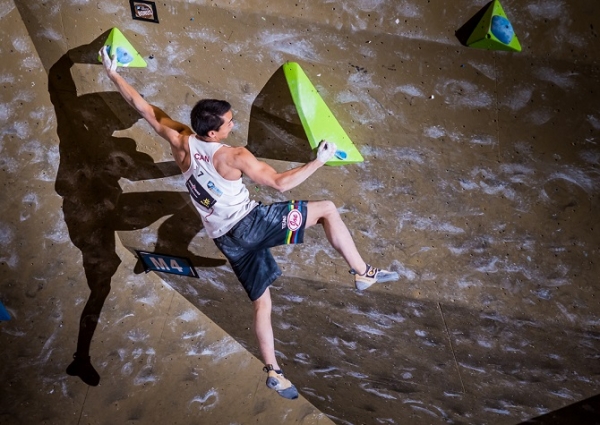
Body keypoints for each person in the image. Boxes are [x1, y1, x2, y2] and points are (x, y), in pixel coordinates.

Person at [100, 47, 399, 399]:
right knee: (328, 209)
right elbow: (280, 183)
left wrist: (113, 73)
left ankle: (274, 370)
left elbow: (143, 107)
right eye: (228, 122)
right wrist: (319, 160)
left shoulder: (180, 138)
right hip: (250, 224)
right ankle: (362, 272)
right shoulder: (234, 155)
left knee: (263, 303)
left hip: (226, 241)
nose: (232, 124)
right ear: (212, 133)